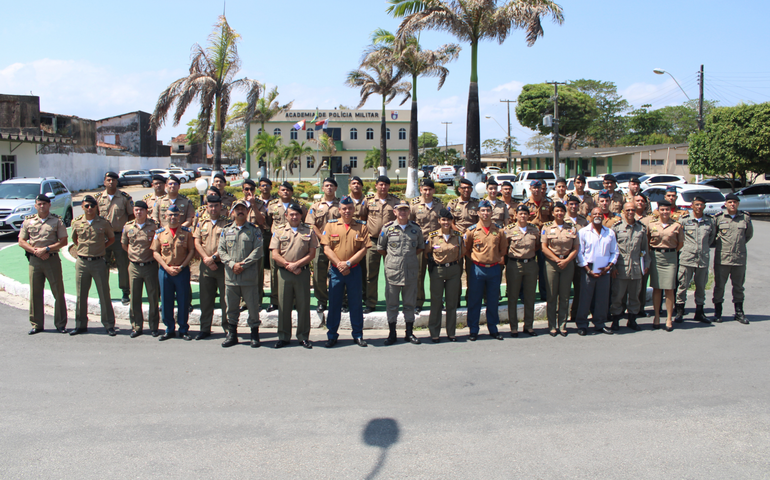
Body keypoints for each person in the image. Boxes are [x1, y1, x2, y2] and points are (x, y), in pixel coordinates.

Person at [320, 196, 370, 348]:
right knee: (334, 304)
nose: (347, 211)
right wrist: (339, 264)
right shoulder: (330, 226)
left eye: (350, 208)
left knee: (356, 304)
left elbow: (364, 249)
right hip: (336, 271)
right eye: (344, 208)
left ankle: (358, 335)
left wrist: (348, 263)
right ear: (339, 210)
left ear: (354, 210)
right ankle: (332, 335)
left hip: (354, 270)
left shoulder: (362, 226)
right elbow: (326, 248)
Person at [18, 194, 68, 334]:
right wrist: (35, 251)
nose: (42, 206)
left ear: (49, 205)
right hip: (35, 260)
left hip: (51, 259)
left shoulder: (56, 221)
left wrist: (46, 249)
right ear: (35, 206)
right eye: (39, 204)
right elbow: (21, 241)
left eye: (44, 204)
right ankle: (36, 324)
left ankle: (60, 324)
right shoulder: (28, 222)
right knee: (35, 292)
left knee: (58, 291)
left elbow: (63, 240)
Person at [270, 203, 317, 349]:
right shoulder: (278, 231)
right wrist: (288, 265)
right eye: (291, 214)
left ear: (301, 215)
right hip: (284, 273)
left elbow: (312, 253)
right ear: (286, 216)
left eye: (297, 214)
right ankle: (283, 337)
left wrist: (297, 265)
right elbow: (275, 253)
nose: (294, 217)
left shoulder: (309, 231)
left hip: (301, 273)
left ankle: (303, 336)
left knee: (303, 306)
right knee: (284, 306)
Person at [377, 200, 425, 345]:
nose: (403, 212)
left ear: (409, 212)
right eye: (400, 210)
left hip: (410, 271)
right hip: (393, 271)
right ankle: (392, 334)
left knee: (409, 304)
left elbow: (420, 247)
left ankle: (409, 333)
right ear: (395, 212)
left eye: (405, 210)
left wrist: (407, 258)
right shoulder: (387, 229)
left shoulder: (416, 229)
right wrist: (394, 259)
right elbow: (381, 248)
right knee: (392, 304)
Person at [219, 200, 264, 347]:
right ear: (232, 212)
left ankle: (254, 335)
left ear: (247, 212)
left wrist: (242, 265)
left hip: (248, 277)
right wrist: (233, 265)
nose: (240, 211)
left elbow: (258, 250)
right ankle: (232, 335)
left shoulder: (254, 230)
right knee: (231, 308)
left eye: (243, 209)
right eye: (237, 209)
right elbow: (221, 251)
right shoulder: (226, 230)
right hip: (231, 277)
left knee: (252, 307)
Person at [70, 195, 116, 336]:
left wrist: (101, 248)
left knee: (104, 293)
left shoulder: (103, 222)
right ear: (82, 207)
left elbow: (112, 238)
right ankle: (80, 325)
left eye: (92, 205)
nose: (89, 208)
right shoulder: (77, 223)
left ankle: (108, 324)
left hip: (98, 262)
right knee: (81, 295)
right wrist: (83, 250)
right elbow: (74, 239)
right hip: (82, 262)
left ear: (96, 207)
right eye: (86, 206)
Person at [464, 200, 508, 341]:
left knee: (493, 300)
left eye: (488, 210)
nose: (485, 213)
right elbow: (466, 249)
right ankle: (473, 329)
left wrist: (495, 258)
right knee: (474, 300)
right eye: (482, 211)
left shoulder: (499, 230)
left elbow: (503, 249)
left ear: (491, 212)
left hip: (494, 269)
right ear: (478, 213)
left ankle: (493, 328)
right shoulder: (471, 231)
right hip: (477, 269)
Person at [151, 204, 195, 341]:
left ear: (180, 216)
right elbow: (155, 252)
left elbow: (191, 251)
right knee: (166, 300)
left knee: (183, 301)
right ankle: (169, 329)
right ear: (165, 216)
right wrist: (166, 267)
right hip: (165, 271)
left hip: (181, 271)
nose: (173, 217)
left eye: (175, 215)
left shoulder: (186, 232)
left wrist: (182, 267)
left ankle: (183, 329)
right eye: (170, 215)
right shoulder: (159, 233)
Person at [575, 207, 618, 336]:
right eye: (595, 214)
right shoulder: (583, 232)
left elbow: (614, 252)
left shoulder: (610, 233)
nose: (597, 216)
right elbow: (579, 253)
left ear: (603, 216)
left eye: (600, 214)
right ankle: (582, 324)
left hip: (604, 269)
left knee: (602, 299)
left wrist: (609, 266)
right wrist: (587, 269)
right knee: (585, 298)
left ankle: (599, 323)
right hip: (588, 267)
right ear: (590, 216)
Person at [121, 200, 160, 338]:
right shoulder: (127, 227)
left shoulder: (154, 226)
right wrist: (134, 257)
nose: (139, 212)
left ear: (146, 211)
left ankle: (154, 327)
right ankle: (136, 327)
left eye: (141, 210)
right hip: (134, 267)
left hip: (150, 266)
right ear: (133, 211)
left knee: (153, 297)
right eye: (136, 210)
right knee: (135, 298)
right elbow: (125, 245)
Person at [674, 196, 716, 324]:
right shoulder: (684, 220)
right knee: (683, 285)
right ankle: (680, 312)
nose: (699, 207)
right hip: (687, 257)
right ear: (692, 206)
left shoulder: (710, 221)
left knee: (701, 286)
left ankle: (699, 312)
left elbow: (711, 238)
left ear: (704, 206)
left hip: (702, 258)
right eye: (697, 204)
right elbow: (678, 237)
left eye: (701, 205)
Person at [712, 193, 753, 324]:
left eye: (735, 202)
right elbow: (713, 236)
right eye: (730, 202)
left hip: (739, 259)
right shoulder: (719, 218)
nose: (732, 204)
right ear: (726, 204)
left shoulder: (745, 218)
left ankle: (739, 312)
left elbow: (748, 235)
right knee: (719, 286)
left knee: (739, 286)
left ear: (738, 204)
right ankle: (718, 312)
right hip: (722, 259)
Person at [609, 202, 650, 331]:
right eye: (628, 210)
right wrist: (613, 267)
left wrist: (646, 265)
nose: (630, 212)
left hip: (636, 267)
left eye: (632, 210)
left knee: (634, 296)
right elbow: (612, 249)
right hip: (621, 267)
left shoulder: (641, 228)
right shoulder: (616, 228)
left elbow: (645, 250)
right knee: (618, 295)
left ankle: (632, 320)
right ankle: (615, 321)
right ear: (623, 211)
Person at [193, 194, 229, 340]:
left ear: (221, 206)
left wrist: (213, 258)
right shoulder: (202, 223)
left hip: (222, 266)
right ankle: (204, 328)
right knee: (205, 298)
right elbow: (197, 242)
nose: (213, 209)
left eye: (216, 206)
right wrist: (206, 259)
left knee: (225, 300)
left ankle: (228, 329)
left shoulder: (227, 224)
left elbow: (227, 244)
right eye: (210, 206)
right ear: (206, 207)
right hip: (206, 266)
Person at [362, 176, 399, 314]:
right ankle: (370, 302)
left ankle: (392, 302)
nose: (383, 187)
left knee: (391, 273)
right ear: (376, 185)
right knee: (371, 273)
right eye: (381, 184)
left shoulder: (395, 201)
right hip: (372, 240)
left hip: (390, 242)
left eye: (386, 185)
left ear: (389, 187)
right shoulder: (368, 200)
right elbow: (362, 218)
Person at [267, 182, 307, 312]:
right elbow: (268, 223)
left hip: (295, 241)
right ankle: (275, 300)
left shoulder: (299, 206)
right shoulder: (272, 205)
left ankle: (295, 300)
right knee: (275, 273)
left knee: (295, 271)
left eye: (288, 190)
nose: (286, 192)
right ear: (278, 192)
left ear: (292, 192)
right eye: (283, 190)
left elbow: (305, 220)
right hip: (278, 243)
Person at [425, 209, 463, 342]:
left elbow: (461, 252)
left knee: (451, 302)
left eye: (448, 220)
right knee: (436, 302)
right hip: (438, 271)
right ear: (439, 221)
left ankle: (451, 332)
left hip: (453, 270)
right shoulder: (433, 236)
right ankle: (434, 332)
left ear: (452, 221)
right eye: (443, 220)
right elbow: (427, 252)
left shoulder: (458, 235)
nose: (446, 223)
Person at [541, 202, 579, 336]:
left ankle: (562, 324)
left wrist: (567, 260)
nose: (559, 213)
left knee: (564, 295)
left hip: (567, 263)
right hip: (552, 263)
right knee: (552, 295)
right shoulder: (546, 227)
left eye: (562, 211)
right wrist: (557, 260)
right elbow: (544, 247)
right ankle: (552, 325)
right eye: (556, 211)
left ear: (565, 212)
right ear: (553, 213)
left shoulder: (572, 228)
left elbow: (576, 248)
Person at [97, 171, 134, 304]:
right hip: (103, 238)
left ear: (117, 182)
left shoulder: (125, 198)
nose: (111, 182)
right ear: (104, 182)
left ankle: (125, 292)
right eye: (108, 180)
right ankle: (104, 293)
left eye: (113, 180)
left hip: (119, 237)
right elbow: (95, 217)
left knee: (123, 265)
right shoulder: (98, 198)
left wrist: (126, 233)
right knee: (102, 265)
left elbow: (131, 216)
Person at [647, 200, 684, 331]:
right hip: (656, 256)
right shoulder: (652, 225)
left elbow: (680, 243)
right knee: (657, 288)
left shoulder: (677, 225)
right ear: (658, 210)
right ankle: (656, 316)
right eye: (662, 209)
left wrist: (671, 252)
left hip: (670, 258)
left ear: (670, 211)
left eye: (667, 210)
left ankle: (669, 318)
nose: (665, 212)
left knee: (669, 288)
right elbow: (648, 241)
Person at [505, 204, 541, 337]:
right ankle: (513, 327)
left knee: (530, 296)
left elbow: (537, 246)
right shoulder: (508, 230)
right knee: (513, 296)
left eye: (525, 214)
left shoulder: (534, 230)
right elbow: (505, 246)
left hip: (530, 264)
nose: (523, 216)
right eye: (520, 214)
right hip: (514, 264)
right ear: (516, 216)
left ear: (528, 216)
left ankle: (529, 326)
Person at [306, 178, 341, 314]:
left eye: (332, 185)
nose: (329, 188)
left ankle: (340, 300)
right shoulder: (315, 206)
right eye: (326, 186)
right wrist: (323, 238)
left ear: (336, 188)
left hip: (338, 243)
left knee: (339, 271)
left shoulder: (341, 205)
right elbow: (311, 224)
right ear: (322, 188)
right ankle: (321, 301)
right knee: (319, 272)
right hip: (320, 243)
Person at [410, 179, 444, 313]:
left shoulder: (439, 205)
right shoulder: (414, 205)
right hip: (419, 245)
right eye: (425, 189)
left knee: (437, 275)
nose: (427, 192)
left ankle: (438, 301)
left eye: (430, 189)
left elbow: (443, 224)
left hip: (435, 246)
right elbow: (410, 224)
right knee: (419, 275)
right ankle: (418, 302)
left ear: (434, 190)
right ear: (421, 190)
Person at [447, 178, 480, 307]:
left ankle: (471, 298)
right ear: (459, 189)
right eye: (464, 188)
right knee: (456, 272)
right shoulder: (453, 203)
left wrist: (469, 234)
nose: (466, 190)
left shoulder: (477, 204)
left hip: (473, 242)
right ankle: (455, 300)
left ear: (472, 190)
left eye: (469, 188)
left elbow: (479, 222)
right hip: (457, 241)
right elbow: (450, 222)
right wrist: (461, 235)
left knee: (473, 272)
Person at [524, 180, 553, 301]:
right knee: (528, 267)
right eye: (534, 188)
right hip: (530, 239)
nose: (536, 190)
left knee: (544, 267)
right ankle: (526, 294)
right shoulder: (525, 204)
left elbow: (553, 220)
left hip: (544, 240)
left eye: (538, 188)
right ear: (530, 189)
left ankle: (544, 293)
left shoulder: (549, 203)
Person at [566, 195, 588, 323]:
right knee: (564, 289)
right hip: (566, 258)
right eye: (571, 204)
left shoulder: (583, 221)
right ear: (567, 205)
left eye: (576, 204)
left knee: (580, 288)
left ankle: (575, 314)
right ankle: (562, 314)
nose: (573, 206)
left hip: (579, 258)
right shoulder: (561, 218)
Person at [256, 177, 276, 307]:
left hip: (274, 236)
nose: (265, 187)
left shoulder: (276, 202)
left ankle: (275, 298)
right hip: (259, 237)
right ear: (259, 188)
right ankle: (257, 296)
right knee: (258, 268)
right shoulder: (254, 202)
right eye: (263, 185)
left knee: (274, 268)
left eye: (268, 185)